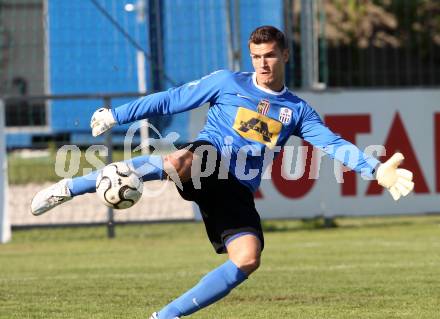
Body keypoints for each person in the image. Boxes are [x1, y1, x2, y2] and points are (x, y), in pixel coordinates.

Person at [30, 26, 414, 319]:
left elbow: (332, 144)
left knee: (248, 258)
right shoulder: (228, 83)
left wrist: (375, 169)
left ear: (285, 55)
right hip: (207, 157)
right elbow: (172, 98)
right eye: (255, 56)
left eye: (269, 56)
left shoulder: (296, 111)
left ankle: (165, 316)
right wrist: (117, 114)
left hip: (237, 188)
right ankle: (72, 186)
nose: (262, 64)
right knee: (185, 160)